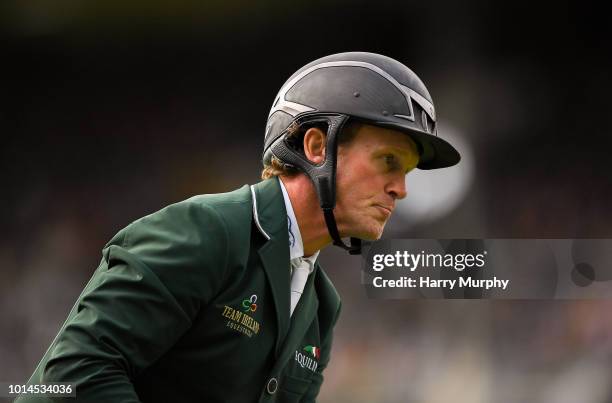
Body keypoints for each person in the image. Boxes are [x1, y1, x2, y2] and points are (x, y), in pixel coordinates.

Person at [16, 52, 460, 403]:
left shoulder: (322, 307)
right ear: (317, 145)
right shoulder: (204, 230)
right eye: (389, 162)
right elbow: (69, 377)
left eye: (408, 172)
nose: (401, 189)